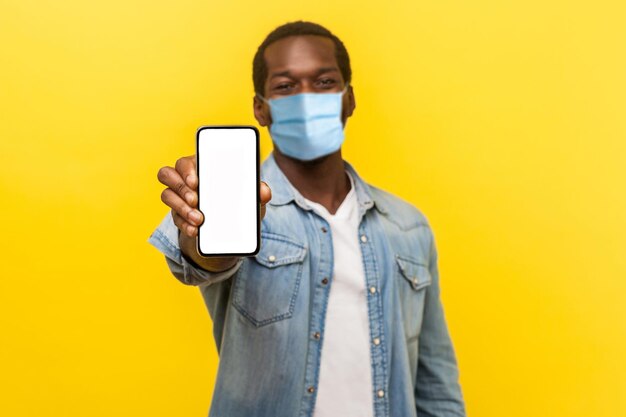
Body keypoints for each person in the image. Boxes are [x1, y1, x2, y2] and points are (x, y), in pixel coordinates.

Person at [149, 20, 466, 417]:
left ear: (349, 99)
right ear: (260, 108)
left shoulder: (408, 226)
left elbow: (435, 384)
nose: (305, 98)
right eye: (285, 86)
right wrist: (199, 239)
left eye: (323, 82)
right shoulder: (231, 201)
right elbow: (200, 263)